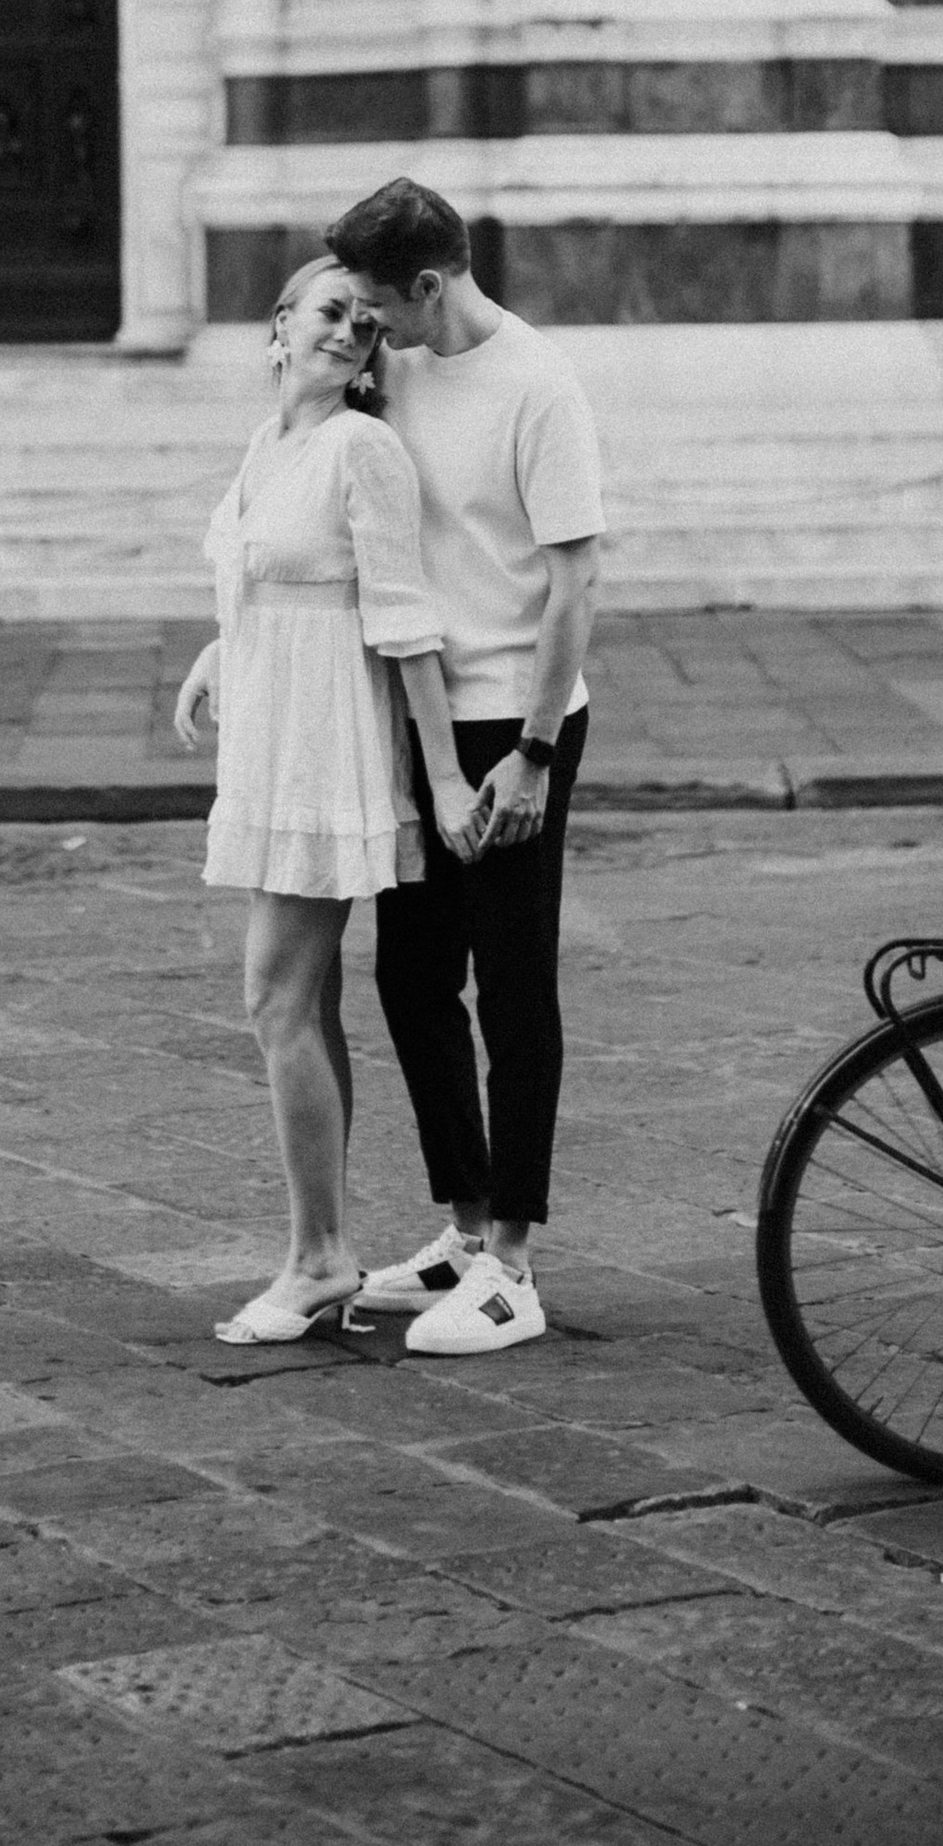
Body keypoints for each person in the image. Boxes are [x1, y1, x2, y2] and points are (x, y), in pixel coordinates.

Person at [174, 258, 480, 1345]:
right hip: (272, 736)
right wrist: (221, 651)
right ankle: (328, 1248)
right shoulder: (272, 442)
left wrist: (444, 778)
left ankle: (318, 1259)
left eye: (365, 320)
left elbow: (402, 619)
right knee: (304, 1005)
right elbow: (279, 578)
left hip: (325, 753)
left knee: (276, 1000)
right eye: (329, 311)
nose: (349, 330)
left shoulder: (363, 446)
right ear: (280, 326)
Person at [323, 178, 604, 1356]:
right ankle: (465, 1223)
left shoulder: (538, 386)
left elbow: (573, 585)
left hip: (519, 725)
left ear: (431, 284)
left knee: (514, 985)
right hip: (424, 718)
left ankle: (514, 1267)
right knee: (411, 976)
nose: (368, 323)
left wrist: (532, 755)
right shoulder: (398, 369)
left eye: (381, 304)